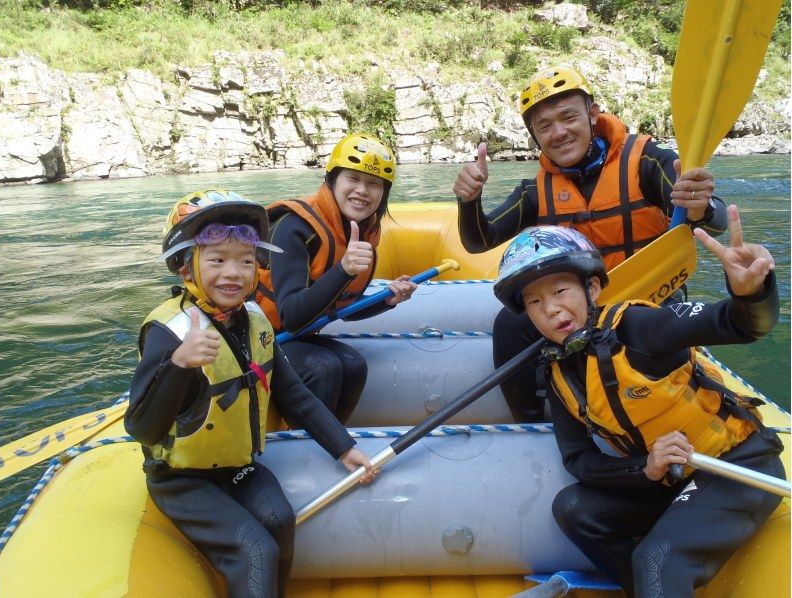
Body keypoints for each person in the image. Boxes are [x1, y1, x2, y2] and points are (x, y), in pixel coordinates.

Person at [493, 211, 784, 597]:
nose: (551, 309)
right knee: (574, 508)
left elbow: (741, 325)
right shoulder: (561, 372)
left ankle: (659, 578)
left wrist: (751, 293)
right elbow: (578, 460)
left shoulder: (639, 328)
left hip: (735, 466)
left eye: (561, 291)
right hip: (673, 478)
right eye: (535, 301)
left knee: (656, 558)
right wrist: (642, 468)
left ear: (592, 289)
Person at [124, 189, 377, 598]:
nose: (234, 273)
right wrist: (179, 366)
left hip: (237, 466)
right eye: (217, 259)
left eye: (245, 261)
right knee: (254, 547)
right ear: (187, 266)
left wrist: (343, 447)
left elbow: (293, 394)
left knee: (278, 519)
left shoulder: (254, 319)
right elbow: (141, 427)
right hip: (181, 479)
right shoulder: (169, 332)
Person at [453, 64, 729, 422]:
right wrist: (469, 200)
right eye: (544, 126)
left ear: (593, 114)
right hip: (580, 306)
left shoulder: (646, 161)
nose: (559, 132)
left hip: (648, 299)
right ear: (535, 137)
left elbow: (716, 218)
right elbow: (479, 241)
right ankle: (532, 419)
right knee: (510, 324)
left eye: (568, 117)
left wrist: (701, 205)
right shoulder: (537, 190)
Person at [256, 132, 417, 425]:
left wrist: (387, 300)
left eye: (373, 184)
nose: (362, 191)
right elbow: (292, 316)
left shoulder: (361, 235)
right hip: (257, 340)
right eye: (352, 179)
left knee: (354, 365)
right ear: (332, 180)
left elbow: (338, 308)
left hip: (293, 338)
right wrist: (343, 270)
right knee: (325, 367)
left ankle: (329, 447)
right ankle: (304, 450)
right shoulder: (294, 228)